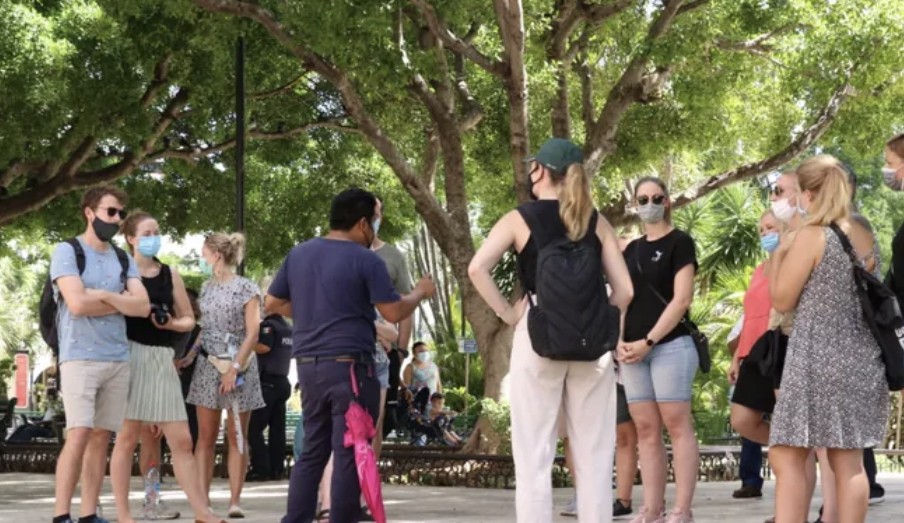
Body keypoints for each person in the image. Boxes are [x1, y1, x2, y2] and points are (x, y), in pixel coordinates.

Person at [468, 138, 633, 523]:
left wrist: (509, 314)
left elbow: (477, 268)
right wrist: (597, 316)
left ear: (540, 170)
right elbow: (625, 290)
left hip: (538, 333)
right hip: (591, 346)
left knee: (534, 455)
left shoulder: (520, 218)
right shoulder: (596, 221)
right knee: (595, 455)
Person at [264, 188, 435, 523]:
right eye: (375, 219)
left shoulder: (299, 254)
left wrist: (316, 313)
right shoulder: (366, 259)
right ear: (362, 223)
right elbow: (394, 311)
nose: (375, 226)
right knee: (349, 450)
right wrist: (419, 292)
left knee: (312, 451)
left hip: (309, 367)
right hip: (351, 369)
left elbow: (272, 302)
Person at [768, 155, 889, 523]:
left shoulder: (812, 235)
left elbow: (782, 300)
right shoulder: (862, 230)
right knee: (848, 461)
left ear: (808, 194)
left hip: (816, 358)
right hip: (861, 360)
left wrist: (779, 254)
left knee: (786, 453)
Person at [108, 212, 225, 523]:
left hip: (162, 359)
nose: (153, 238)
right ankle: (125, 514)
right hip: (128, 356)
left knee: (182, 440)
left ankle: (202, 512)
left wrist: (172, 323)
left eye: (156, 232)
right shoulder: (118, 272)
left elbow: (189, 319)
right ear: (131, 238)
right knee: (127, 439)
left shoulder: (169, 273)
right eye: (146, 233)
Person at [50, 186, 150, 523]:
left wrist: (102, 296)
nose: (117, 219)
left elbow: (143, 306)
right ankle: (61, 515)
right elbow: (77, 304)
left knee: (101, 437)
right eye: (111, 212)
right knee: (78, 433)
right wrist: (120, 300)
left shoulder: (122, 258)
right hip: (79, 356)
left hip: (117, 358)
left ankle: (88, 514)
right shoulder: (67, 251)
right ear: (89, 212)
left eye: (121, 213)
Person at [620, 176, 699, 523]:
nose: (649, 204)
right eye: (642, 199)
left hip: (670, 346)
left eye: (656, 197)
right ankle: (652, 508)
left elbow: (682, 299)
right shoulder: (630, 250)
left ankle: (682, 509)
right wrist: (619, 341)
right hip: (631, 352)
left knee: (676, 424)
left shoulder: (680, 242)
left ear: (666, 201)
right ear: (635, 204)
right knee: (645, 430)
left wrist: (648, 341)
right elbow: (623, 298)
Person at [178, 232, 265, 519]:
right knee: (205, 436)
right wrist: (192, 354)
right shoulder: (206, 287)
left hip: (240, 365)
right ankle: (203, 502)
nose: (202, 258)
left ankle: (234, 501)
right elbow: (206, 328)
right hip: (208, 365)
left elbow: (253, 333)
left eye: (204, 253)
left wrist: (235, 367)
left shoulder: (246, 287)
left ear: (216, 255)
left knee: (236, 434)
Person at [728, 210, 782, 500]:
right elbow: (749, 316)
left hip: (779, 351)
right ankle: (798, 447)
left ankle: (789, 508)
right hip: (752, 353)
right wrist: (736, 357)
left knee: (785, 423)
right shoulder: (759, 269)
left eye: (770, 227)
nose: (765, 234)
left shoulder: (792, 264)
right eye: (761, 230)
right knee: (741, 420)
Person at [371, 195, 415, 444]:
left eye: (376, 213)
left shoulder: (393, 256)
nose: (372, 218)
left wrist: (401, 351)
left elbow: (405, 307)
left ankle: (370, 468)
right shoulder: (341, 253)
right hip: (348, 348)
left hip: (386, 352)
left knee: (377, 421)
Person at [247, 303, 294, 482]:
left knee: (253, 427)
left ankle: (261, 469)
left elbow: (264, 347)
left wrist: (247, 342)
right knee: (277, 429)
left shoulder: (268, 326)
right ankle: (276, 469)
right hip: (282, 381)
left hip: (267, 382)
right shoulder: (287, 328)